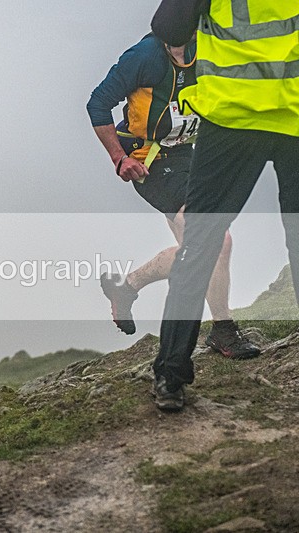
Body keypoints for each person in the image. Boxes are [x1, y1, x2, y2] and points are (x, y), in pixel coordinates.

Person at [149, 0, 299, 411]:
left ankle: (171, 373)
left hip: (233, 121)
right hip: (294, 119)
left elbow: (170, 28)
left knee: (199, 243)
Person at [87, 31, 260, 359]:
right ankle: (222, 329)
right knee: (216, 241)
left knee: (197, 249)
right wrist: (118, 158)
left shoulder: (214, 47)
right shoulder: (146, 56)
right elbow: (97, 104)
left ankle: (128, 287)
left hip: (189, 154)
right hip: (147, 159)